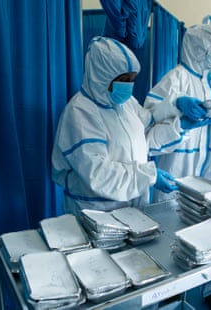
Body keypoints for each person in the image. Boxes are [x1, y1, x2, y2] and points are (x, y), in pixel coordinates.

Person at [144, 15, 211, 310]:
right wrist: (177, 107)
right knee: (172, 222)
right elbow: (149, 116)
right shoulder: (174, 78)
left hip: (210, 161)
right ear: (199, 46)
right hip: (177, 163)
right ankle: (169, 290)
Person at [51, 36, 182, 216]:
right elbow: (98, 174)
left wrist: (176, 108)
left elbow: (147, 118)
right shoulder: (80, 112)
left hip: (133, 203)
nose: (128, 85)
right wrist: (149, 176)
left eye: (132, 78)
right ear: (101, 75)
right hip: (97, 211)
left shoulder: (124, 102)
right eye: (123, 78)